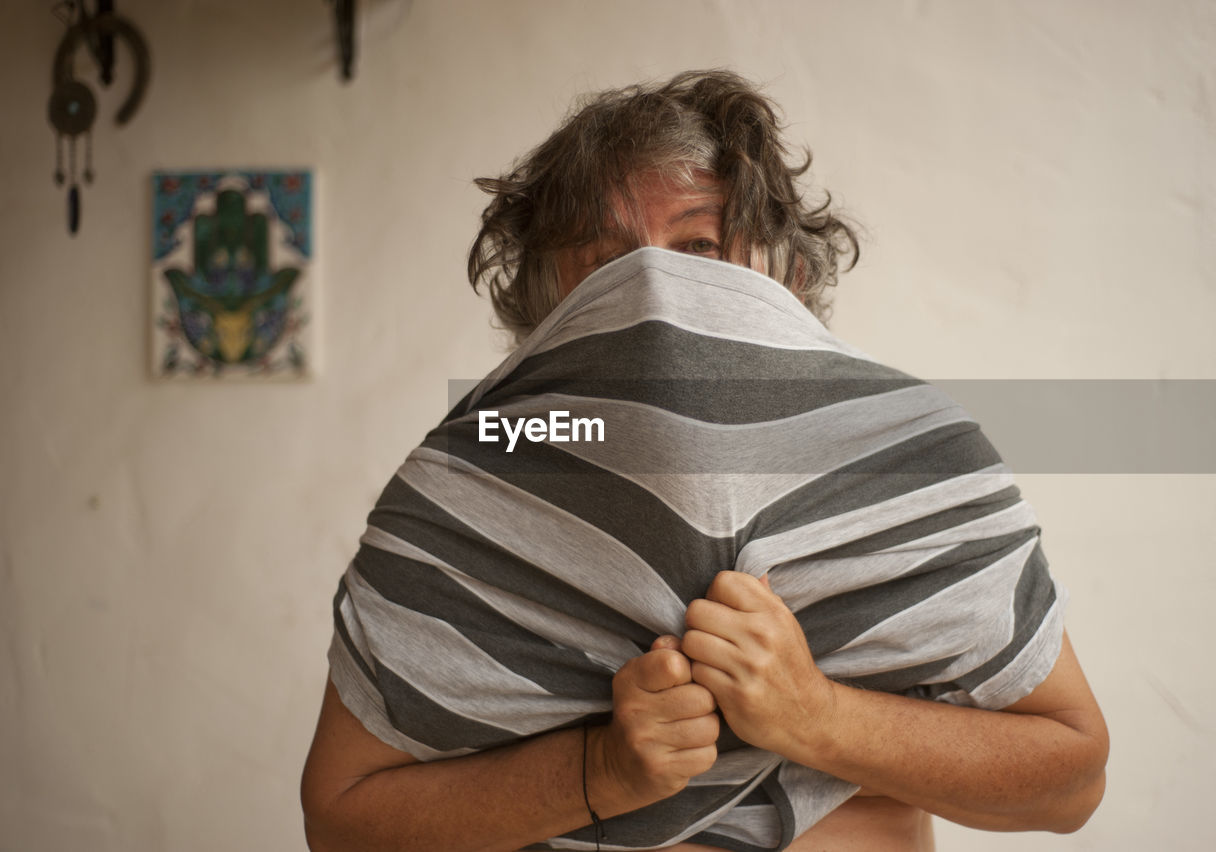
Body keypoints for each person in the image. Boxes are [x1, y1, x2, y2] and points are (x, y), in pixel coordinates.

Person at [300, 70, 1108, 851]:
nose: (658, 289)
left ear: (784, 274)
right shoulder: (473, 467)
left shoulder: (914, 452)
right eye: (608, 263)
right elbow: (342, 820)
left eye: (700, 245)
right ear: (546, 304)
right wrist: (598, 771)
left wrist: (818, 717)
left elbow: (1069, 783)